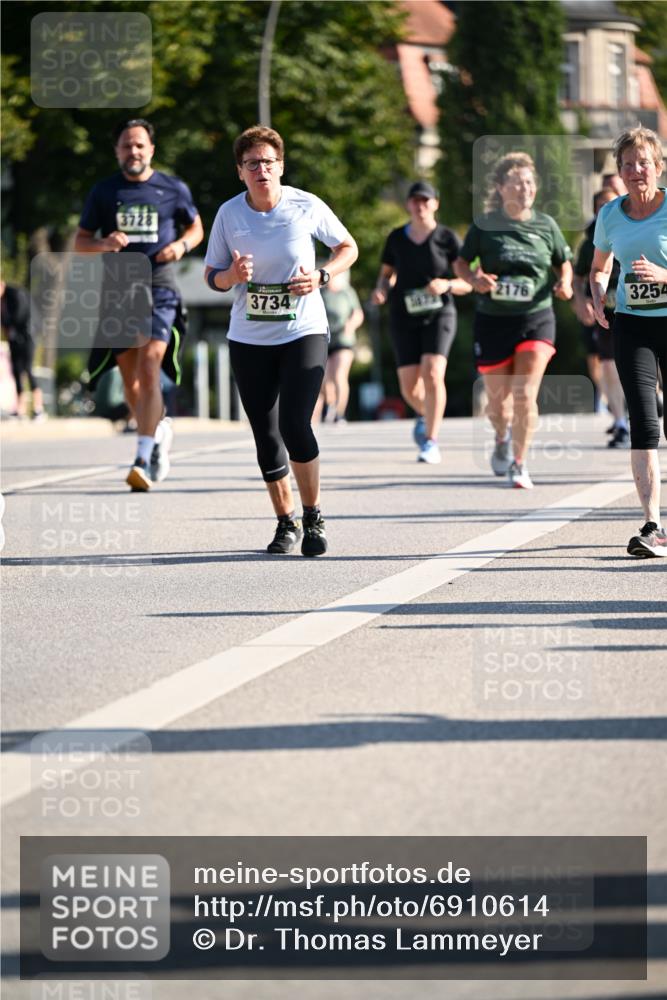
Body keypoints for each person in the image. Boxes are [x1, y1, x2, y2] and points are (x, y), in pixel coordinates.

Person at [204, 125, 358, 556]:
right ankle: (285, 522)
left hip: (302, 330)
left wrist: (323, 275)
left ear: (281, 167)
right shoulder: (229, 215)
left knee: (295, 424)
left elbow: (348, 246)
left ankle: (313, 517)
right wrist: (231, 277)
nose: (261, 170)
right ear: (240, 172)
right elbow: (211, 275)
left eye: (268, 163)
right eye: (252, 164)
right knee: (266, 435)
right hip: (249, 337)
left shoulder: (306, 205)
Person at [75, 118, 204, 491]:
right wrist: (103, 245)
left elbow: (195, 227)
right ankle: (157, 427)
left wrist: (180, 246)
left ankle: (142, 457)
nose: (133, 151)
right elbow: (80, 241)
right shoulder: (103, 192)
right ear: (117, 151)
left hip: (160, 287)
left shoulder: (172, 188)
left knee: (150, 366)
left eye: (139, 145)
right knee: (130, 380)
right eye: (126, 145)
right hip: (119, 291)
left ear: (151, 149)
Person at [454, 152, 573, 489]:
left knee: (524, 394)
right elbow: (461, 265)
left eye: (530, 182)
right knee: (497, 402)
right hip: (493, 321)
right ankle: (502, 437)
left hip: (536, 316)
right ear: (500, 187)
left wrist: (564, 282)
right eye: (518, 182)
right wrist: (475, 280)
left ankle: (519, 463)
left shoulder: (546, 225)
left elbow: (562, 261)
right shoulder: (484, 225)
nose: (525, 188)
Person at [591, 125, 667, 557]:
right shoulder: (610, 215)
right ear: (619, 173)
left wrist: (663, 276)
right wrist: (598, 290)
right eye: (627, 165)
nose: (636, 171)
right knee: (644, 422)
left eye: (643, 163)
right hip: (633, 324)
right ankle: (652, 525)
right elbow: (600, 265)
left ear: (657, 167)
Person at [371, 181, 471, 464]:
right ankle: (428, 416)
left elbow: (468, 282)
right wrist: (381, 289)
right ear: (408, 205)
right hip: (403, 314)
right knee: (408, 388)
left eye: (426, 200)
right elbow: (386, 273)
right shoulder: (396, 238)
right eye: (415, 201)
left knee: (433, 372)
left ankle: (431, 440)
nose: (420, 206)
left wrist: (447, 284)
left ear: (435, 204)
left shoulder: (447, 238)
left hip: (439, 313)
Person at [573, 188, 628, 447]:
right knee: (607, 366)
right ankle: (620, 423)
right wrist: (581, 300)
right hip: (607, 311)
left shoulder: (639, 228)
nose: (606, 208)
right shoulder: (591, 242)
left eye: (610, 202)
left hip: (641, 309)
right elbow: (580, 276)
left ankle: (650, 404)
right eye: (600, 205)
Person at [312, 270, 363, 424]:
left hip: (344, 340)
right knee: (324, 378)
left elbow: (358, 314)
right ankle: (329, 407)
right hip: (325, 340)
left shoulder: (347, 292)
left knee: (339, 374)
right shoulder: (322, 293)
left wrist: (350, 325)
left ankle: (340, 414)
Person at [0, 279, 45, 419]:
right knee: (16, 370)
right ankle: (21, 409)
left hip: (28, 336)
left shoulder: (15, 293)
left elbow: (19, 315)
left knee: (28, 368)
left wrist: (8, 326)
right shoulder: (3, 299)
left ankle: (39, 409)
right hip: (14, 338)